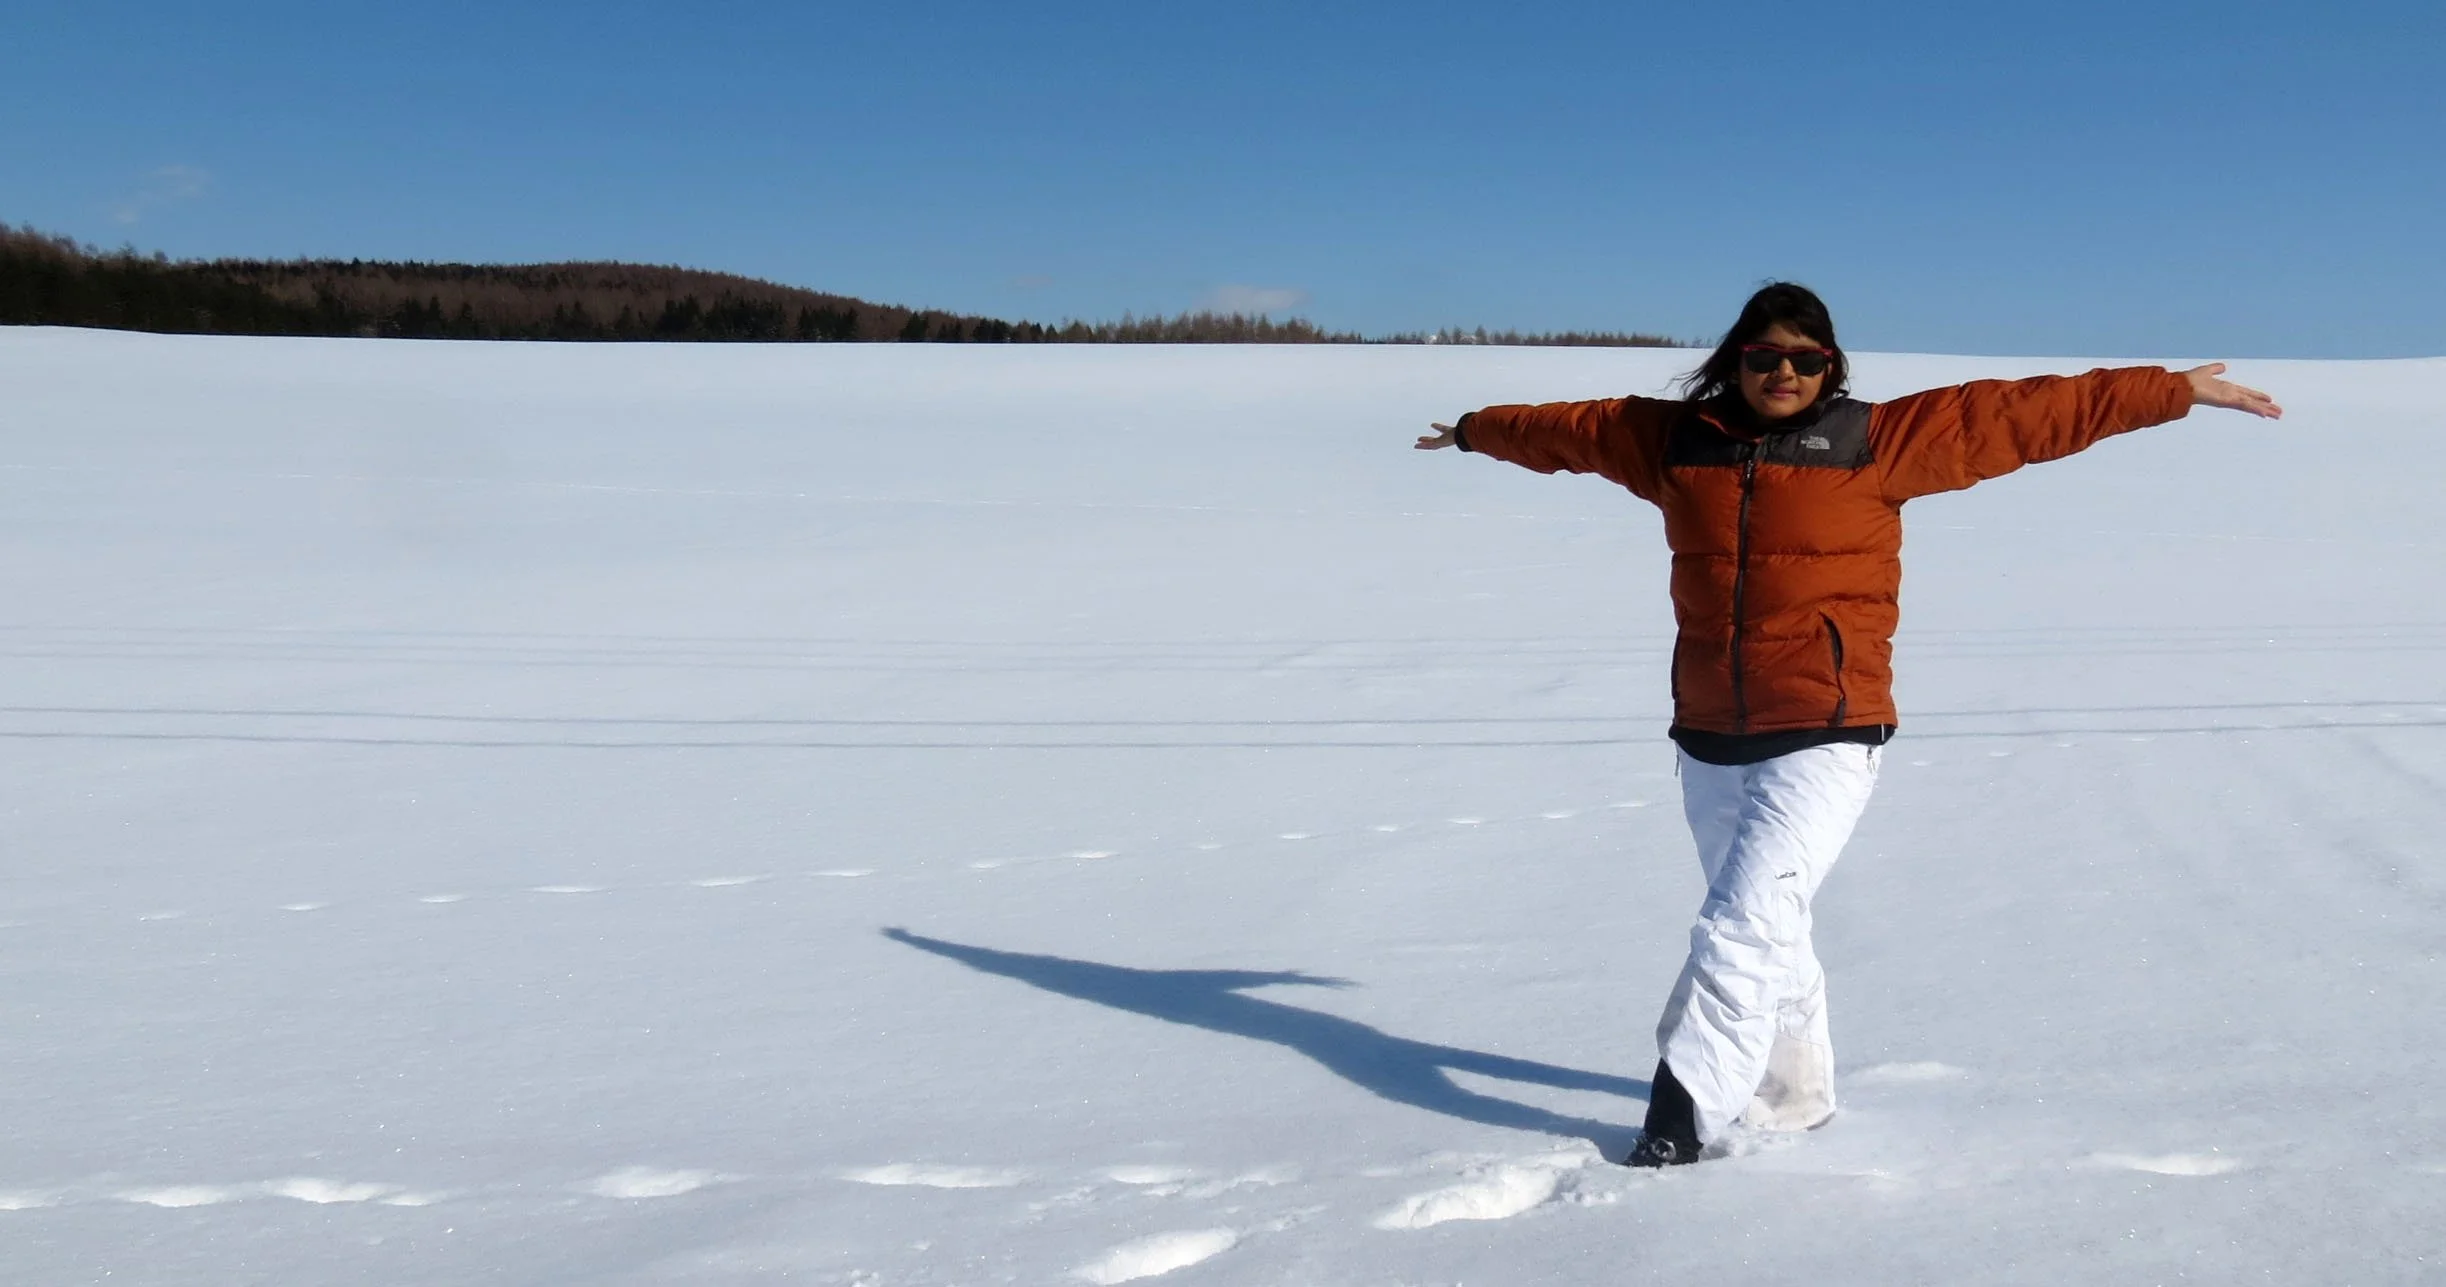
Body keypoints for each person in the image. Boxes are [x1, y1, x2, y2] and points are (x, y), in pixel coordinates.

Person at [1414, 282, 2281, 1167]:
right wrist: (1477, 429)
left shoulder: (1876, 444)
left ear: (1830, 365)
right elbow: (1572, 431)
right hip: (1710, 733)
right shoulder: (1673, 441)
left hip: (1828, 728)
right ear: (1735, 362)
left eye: (1804, 358)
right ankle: (1794, 1102)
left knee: (1740, 923)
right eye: (1763, 357)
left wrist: (2168, 390)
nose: (1782, 372)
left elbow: (2022, 414)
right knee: (1770, 926)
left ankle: (1680, 1115)